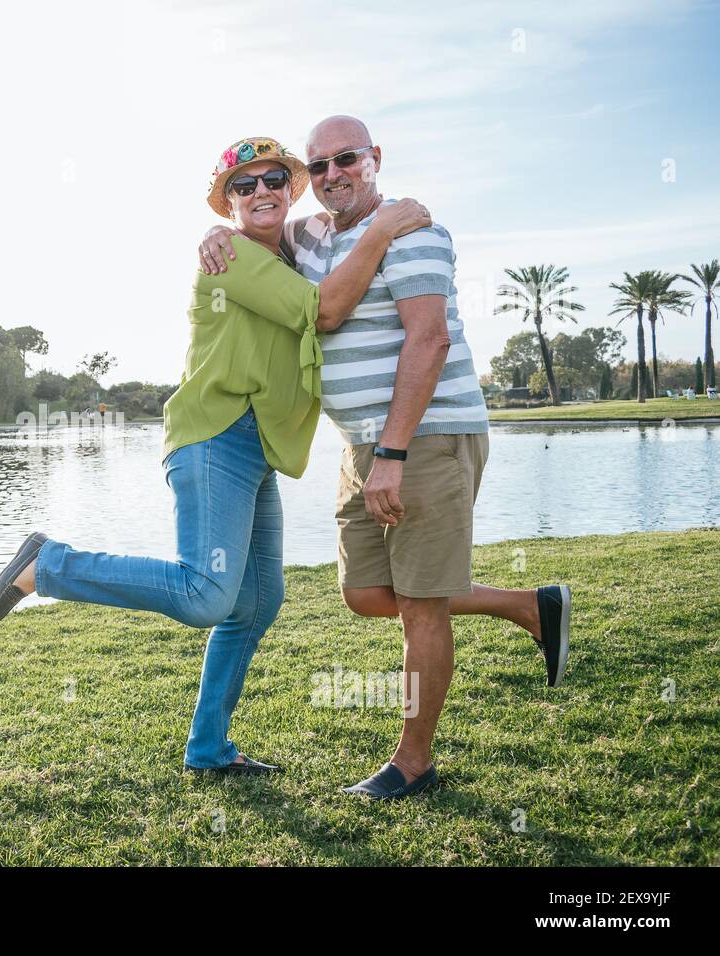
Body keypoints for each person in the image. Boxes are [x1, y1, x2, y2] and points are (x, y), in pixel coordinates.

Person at [0, 137, 432, 774]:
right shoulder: (232, 261)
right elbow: (323, 309)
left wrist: (372, 221)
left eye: (273, 179)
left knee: (257, 603)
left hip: (256, 446)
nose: (260, 193)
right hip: (214, 437)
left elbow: (327, 252)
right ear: (227, 203)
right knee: (204, 595)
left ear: (291, 186)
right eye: (242, 187)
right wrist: (385, 226)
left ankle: (209, 748)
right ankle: (49, 565)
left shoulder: (300, 248)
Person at [199, 116, 573, 798]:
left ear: (374, 160)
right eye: (318, 165)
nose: (332, 173)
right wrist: (217, 231)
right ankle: (528, 605)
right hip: (360, 443)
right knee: (366, 595)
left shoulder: (414, 234)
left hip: (422, 437)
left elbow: (426, 342)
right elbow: (257, 234)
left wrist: (394, 453)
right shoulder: (307, 237)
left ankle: (413, 762)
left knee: (423, 607)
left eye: (347, 159)